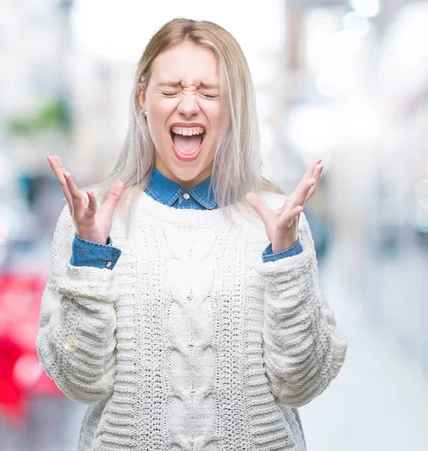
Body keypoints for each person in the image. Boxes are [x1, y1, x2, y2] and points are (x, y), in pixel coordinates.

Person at [36, 18, 347, 451]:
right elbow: (78, 383)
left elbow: (302, 384)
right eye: (171, 89)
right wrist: (90, 256)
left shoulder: (278, 221)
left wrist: (285, 259)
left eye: (208, 91)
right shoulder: (90, 219)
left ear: (234, 106)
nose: (188, 105)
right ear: (143, 100)